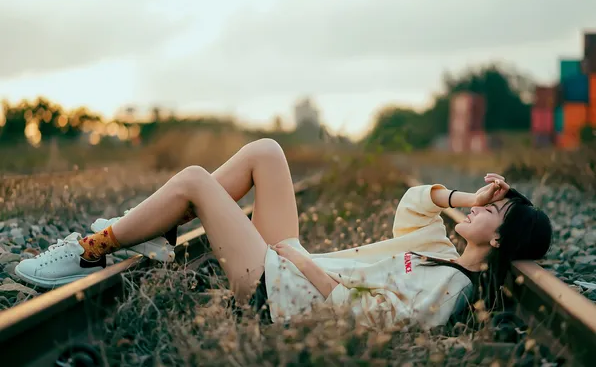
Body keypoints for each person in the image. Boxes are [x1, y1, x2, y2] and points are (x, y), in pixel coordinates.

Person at [14, 138, 552, 329]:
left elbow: (369, 315)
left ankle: (97, 247)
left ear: (500, 241)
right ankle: (147, 229)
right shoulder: (441, 250)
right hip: (288, 266)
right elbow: (415, 202)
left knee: (199, 182)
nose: (484, 206)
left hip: (278, 293)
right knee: (266, 152)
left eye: (494, 209)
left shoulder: (451, 290)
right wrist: (466, 199)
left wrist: (299, 260)